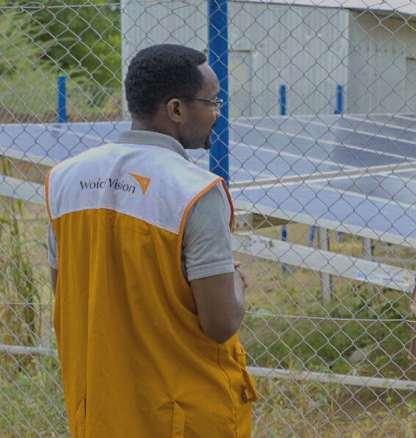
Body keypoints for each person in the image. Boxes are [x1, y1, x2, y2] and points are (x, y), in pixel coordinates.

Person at [45, 44, 257, 437]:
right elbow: (221, 322)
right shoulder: (195, 191)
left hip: (100, 411)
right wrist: (233, 282)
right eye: (212, 102)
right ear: (176, 109)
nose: (218, 113)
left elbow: (68, 293)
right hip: (181, 417)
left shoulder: (64, 179)